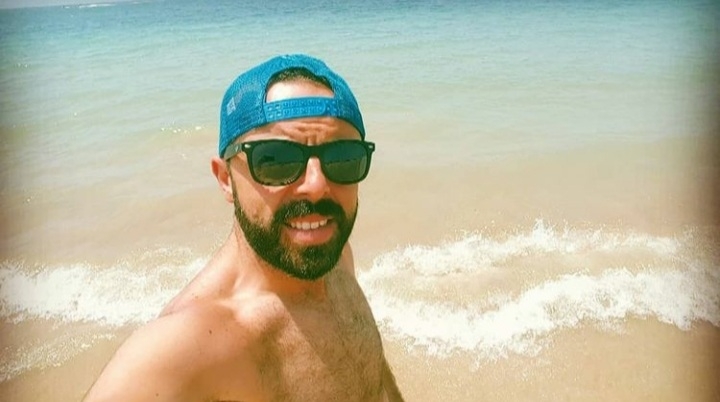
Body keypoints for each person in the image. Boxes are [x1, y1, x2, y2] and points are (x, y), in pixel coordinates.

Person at [83, 54, 404, 402]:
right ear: (225, 178)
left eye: (342, 158)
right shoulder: (182, 350)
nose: (316, 186)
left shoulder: (335, 258)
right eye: (276, 160)